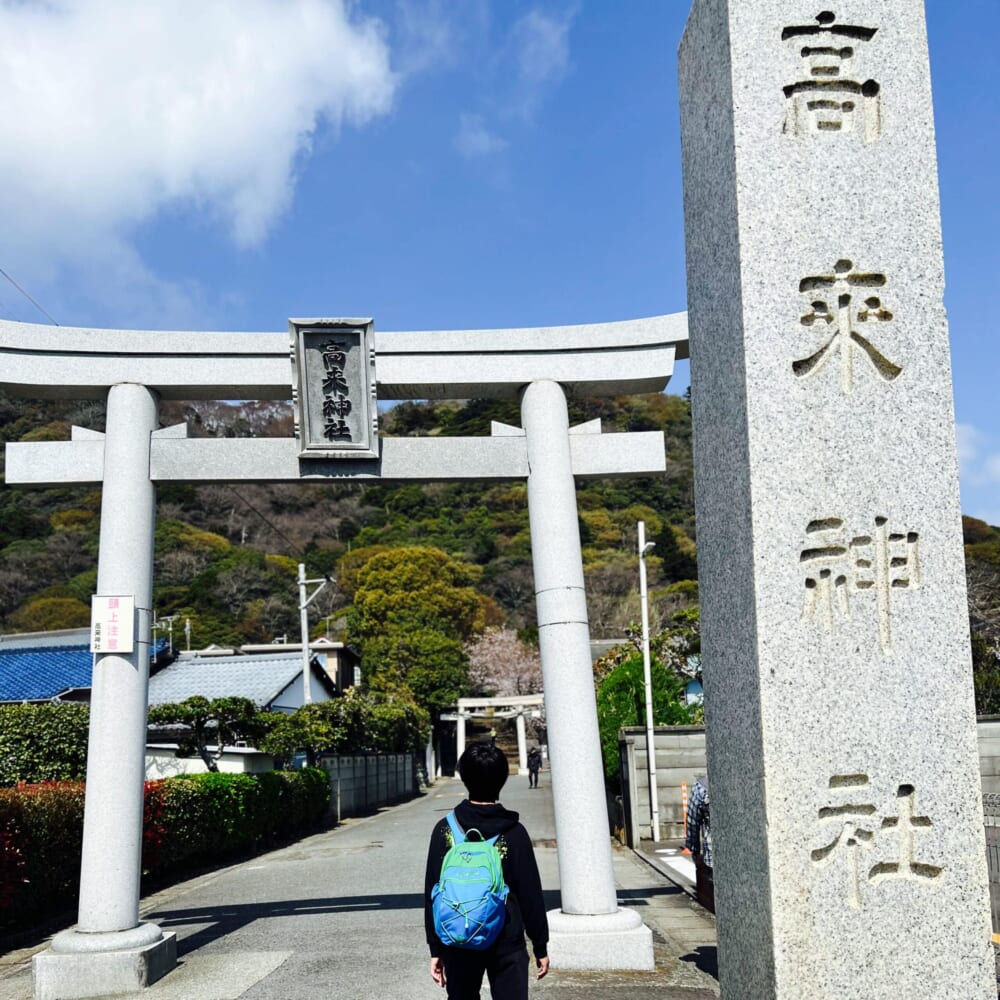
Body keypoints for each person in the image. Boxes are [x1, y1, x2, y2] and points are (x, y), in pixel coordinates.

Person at [425, 742, 549, 998]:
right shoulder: (514, 832)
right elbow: (530, 894)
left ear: (464, 777)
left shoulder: (444, 830)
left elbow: (433, 891)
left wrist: (435, 949)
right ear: (502, 779)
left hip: (459, 934)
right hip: (506, 937)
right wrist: (540, 945)